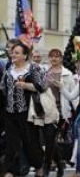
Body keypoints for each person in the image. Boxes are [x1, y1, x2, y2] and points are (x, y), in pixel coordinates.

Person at [0, 42, 45, 177]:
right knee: (11, 144)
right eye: (13, 52)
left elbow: (42, 86)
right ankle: (10, 171)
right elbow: (2, 89)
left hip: (27, 113)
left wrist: (25, 85)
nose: (13, 54)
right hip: (10, 113)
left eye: (17, 52)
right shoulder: (8, 71)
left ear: (25, 56)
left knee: (30, 143)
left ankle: (38, 166)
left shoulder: (33, 68)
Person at [42, 48, 76, 177]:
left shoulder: (67, 74)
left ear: (61, 58)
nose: (53, 59)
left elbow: (73, 94)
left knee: (50, 137)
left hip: (61, 111)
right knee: (49, 139)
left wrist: (77, 109)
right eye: (51, 56)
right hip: (46, 110)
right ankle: (60, 163)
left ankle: (46, 166)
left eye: (56, 56)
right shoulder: (45, 72)